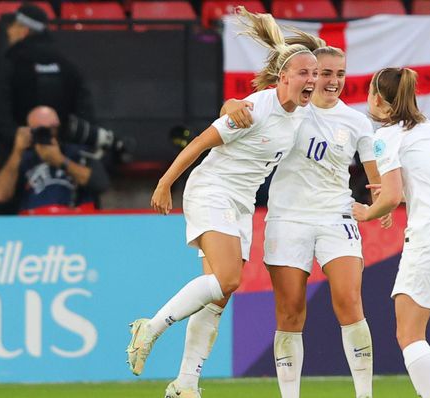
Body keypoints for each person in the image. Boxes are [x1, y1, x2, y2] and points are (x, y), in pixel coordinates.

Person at [125, 7, 318, 398]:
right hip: (212, 189)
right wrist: (165, 183)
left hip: (242, 202)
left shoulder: (299, 113)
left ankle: (185, 385)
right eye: (305, 73)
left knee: (218, 296)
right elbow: (199, 142)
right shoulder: (255, 108)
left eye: (315, 74)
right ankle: (151, 328)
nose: (312, 80)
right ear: (284, 78)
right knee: (229, 278)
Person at [216, 32, 393, 398]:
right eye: (325, 72)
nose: (333, 80)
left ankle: (364, 393)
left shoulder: (357, 122)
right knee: (290, 313)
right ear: (311, 74)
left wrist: (381, 206)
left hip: (335, 216)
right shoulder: (290, 107)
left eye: (340, 73)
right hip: (287, 218)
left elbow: (376, 179)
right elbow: (234, 110)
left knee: (349, 301)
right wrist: (231, 103)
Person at [352, 68, 430, 398]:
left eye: (369, 91)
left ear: (378, 99)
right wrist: (397, 192)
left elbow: (392, 196)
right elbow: (427, 187)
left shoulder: (386, 136)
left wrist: (368, 211)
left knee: (409, 333)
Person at [0, 3, 94, 167]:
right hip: (63, 158)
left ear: (24, 30)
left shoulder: (8, 65)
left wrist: (24, 142)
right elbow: (85, 114)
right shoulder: (67, 65)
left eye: (13, 26)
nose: (8, 31)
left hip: (19, 161)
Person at [0, 106, 109, 214]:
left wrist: (61, 161)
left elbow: (101, 184)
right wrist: (17, 151)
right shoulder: (23, 159)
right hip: (34, 222)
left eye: (53, 128)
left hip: (75, 220)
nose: (48, 134)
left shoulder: (78, 153)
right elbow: (0, 196)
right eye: (41, 131)